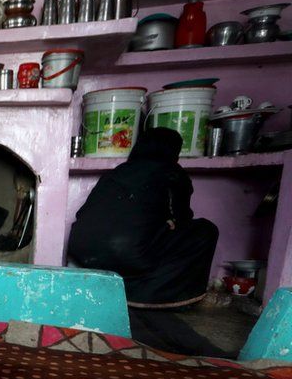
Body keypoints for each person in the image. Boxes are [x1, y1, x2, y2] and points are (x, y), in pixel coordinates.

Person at [68, 127, 219, 309]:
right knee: (205, 230)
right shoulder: (172, 173)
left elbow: (85, 214)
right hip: (128, 254)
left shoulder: (116, 173)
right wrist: (167, 222)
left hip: (82, 250)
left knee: (139, 238)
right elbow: (182, 218)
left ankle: (117, 290)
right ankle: (151, 296)